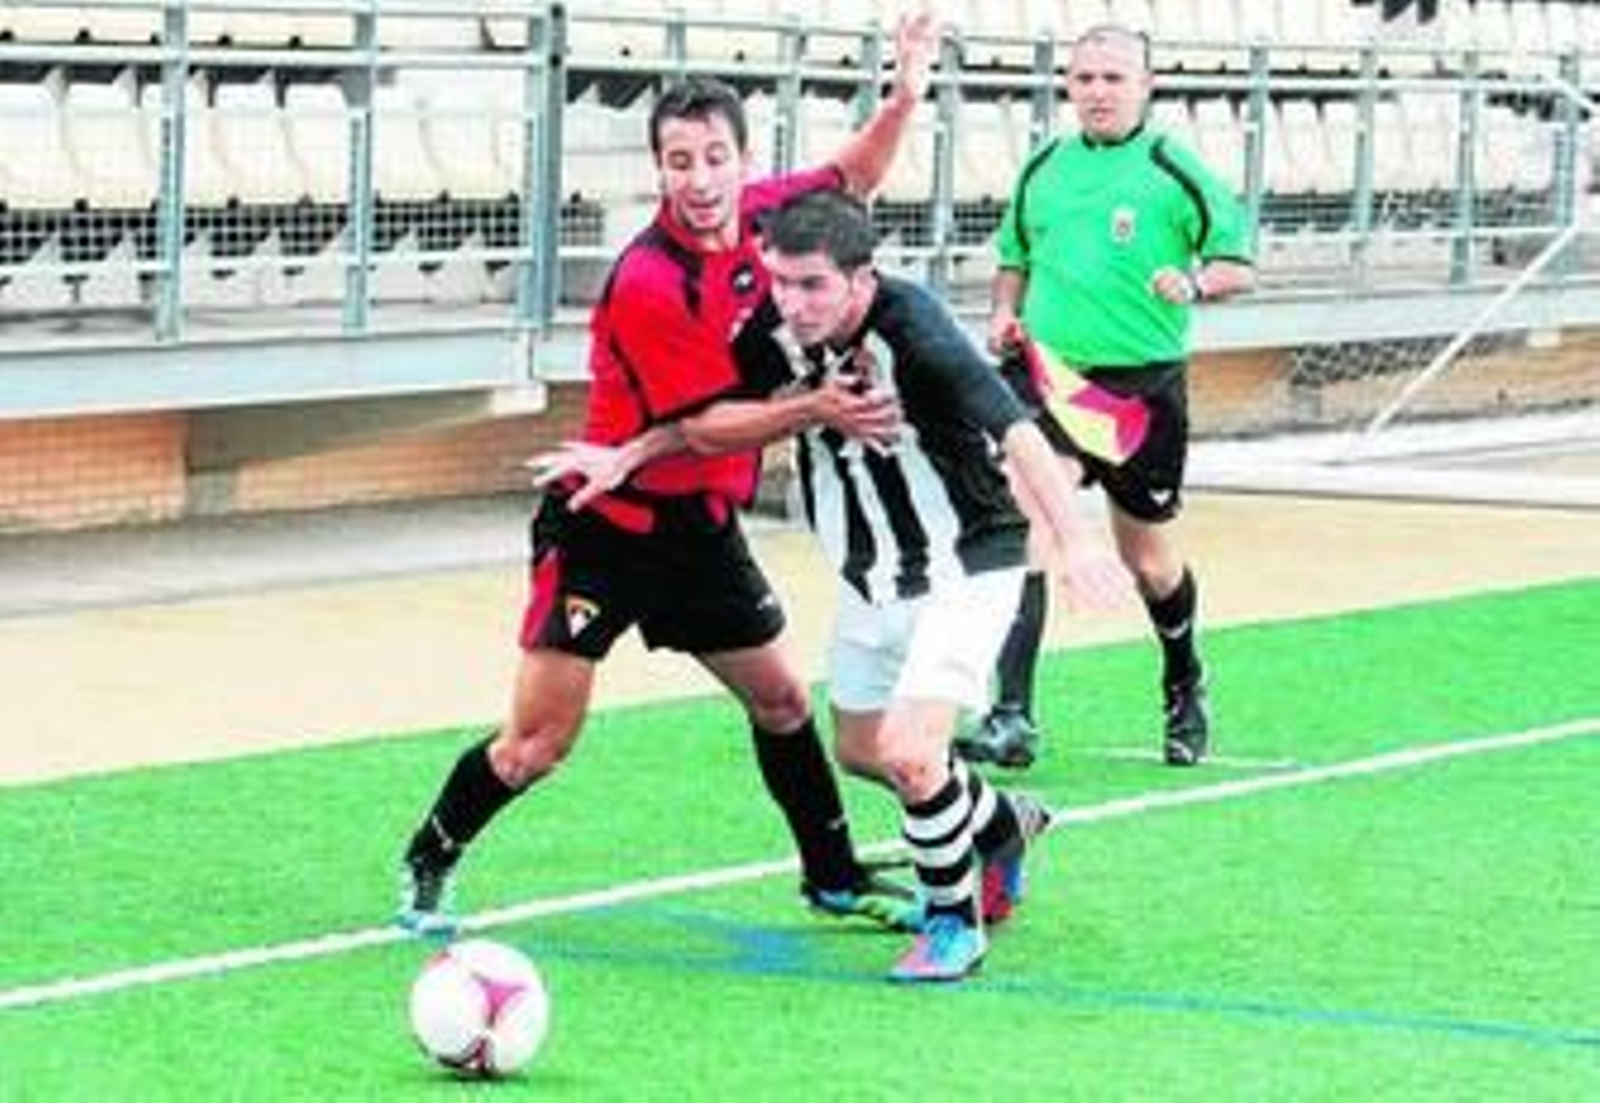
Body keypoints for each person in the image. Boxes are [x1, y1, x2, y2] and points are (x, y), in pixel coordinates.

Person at [395, 13, 941, 939]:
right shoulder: (650, 279)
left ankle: (833, 875)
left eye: (713, 156)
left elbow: (853, 174)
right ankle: (431, 852)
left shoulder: (770, 216)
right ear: (659, 169)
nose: (699, 178)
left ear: (741, 158)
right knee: (537, 746)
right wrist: (815, 407)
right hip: (607, 528)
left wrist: (901, 100)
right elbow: (699, 426)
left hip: (699, 534)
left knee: (781, 698)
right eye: (678, 161)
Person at [534, 190, 1131, 982]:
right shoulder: (774, 334)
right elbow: (711, 417)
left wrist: (1080, 538)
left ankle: (954, 924)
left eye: (812, 284)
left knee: (913, 754)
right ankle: (1000, 824)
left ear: (861, 278)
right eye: (780, 280)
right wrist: (629, 455)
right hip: (871, 580)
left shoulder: (914, 330)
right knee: (860, 751)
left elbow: (1016, 429)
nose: (793, 300)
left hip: (967, 565)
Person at [955, 23, 1255, 771]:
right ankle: (1012, 714)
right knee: (1024, 516)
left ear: (1145, 86)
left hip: (1141, 389)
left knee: (1149, 559)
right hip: (1050, 376)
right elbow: (1013, 257)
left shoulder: (1171, 169)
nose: (1096, 92)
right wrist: (1002, 310)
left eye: (1112, 79)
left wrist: (1194, 283)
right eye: (1083, 79)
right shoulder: (1045, 168)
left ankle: (1184, 682)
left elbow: (1236, 263)